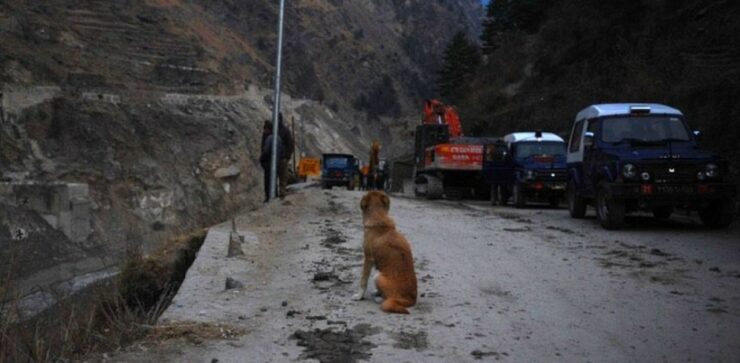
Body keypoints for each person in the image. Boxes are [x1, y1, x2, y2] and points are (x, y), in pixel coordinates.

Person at [260, 121, 283, 203]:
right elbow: (281, 151)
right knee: (274, 180)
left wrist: (262, 159)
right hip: (277, 163)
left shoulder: (269, 138)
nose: (264, 131)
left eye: (265, 129)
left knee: (268, 181)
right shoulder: (279, 138)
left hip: (269, 163)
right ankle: (275, 195)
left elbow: (266, 151)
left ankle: (268, 198)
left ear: (268, 129)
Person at [277, 113, 295, 198]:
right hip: (274, 158)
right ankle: (273, 193)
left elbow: (290, 144)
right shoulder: (273, 129)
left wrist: (287, 156)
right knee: (274, 176)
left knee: (283, 176)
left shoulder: (285, 131)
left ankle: (282, 192)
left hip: (282, 158)